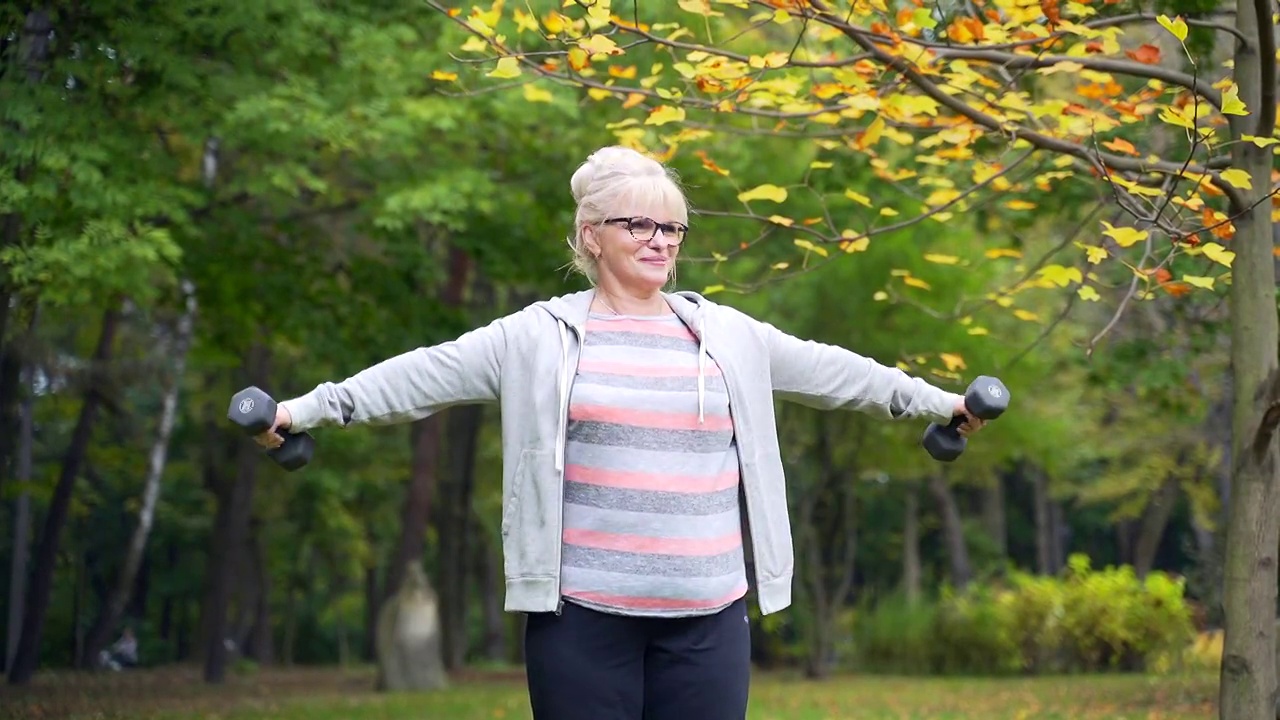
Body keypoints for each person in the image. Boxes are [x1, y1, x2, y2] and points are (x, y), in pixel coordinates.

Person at [254, 145, 985, 720]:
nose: (660, 240)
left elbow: (841, 374)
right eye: (638, 224)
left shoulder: (728, 336)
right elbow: (420, 376)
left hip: (710, 618)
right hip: (584, 619)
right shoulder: (536, 337)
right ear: (590, 235)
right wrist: (302, 412)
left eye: (671, 227)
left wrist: (940, 403)